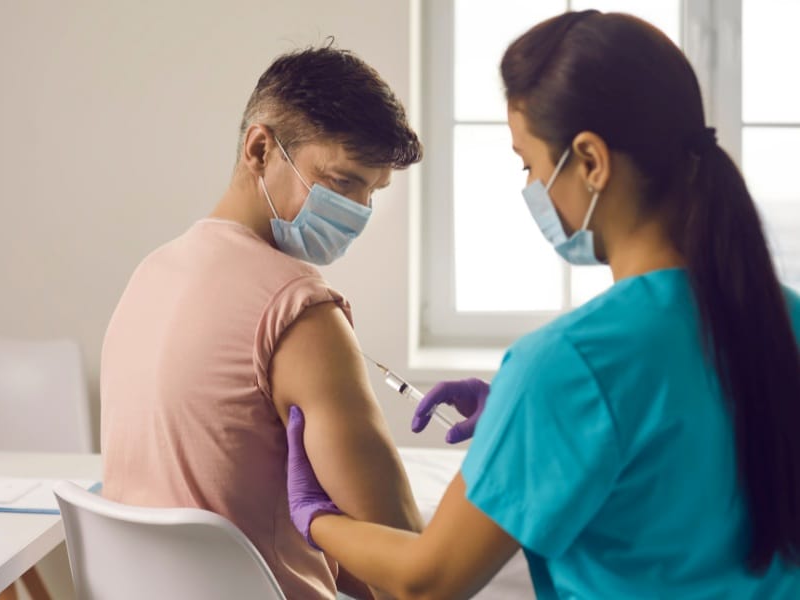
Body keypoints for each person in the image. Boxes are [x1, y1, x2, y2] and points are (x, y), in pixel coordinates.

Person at [285, 11, 800, 599]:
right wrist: (527, 416)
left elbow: (426, 583)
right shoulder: (784, 317)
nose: (530, 186)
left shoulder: (569, 363)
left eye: (529, 163)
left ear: (590, 161)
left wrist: (316, 515)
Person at [100, 43, 424, 599]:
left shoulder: (148, 276)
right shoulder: (303, 313)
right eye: (344, 182)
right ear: (259, 149)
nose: (359, 212)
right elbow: (410, 576)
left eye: (372, 193)